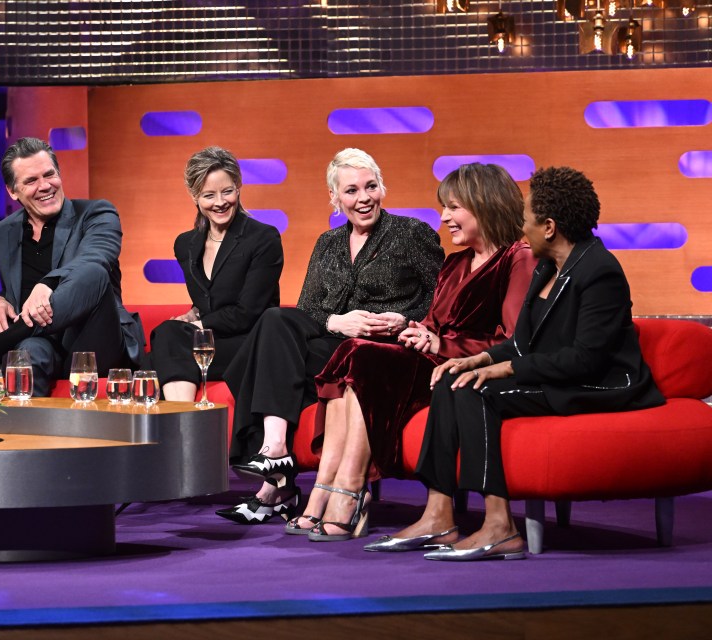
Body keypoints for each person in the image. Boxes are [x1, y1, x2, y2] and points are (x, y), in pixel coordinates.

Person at [383, 166, 665, 561]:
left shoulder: (600, 270)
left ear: (548, 226)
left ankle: (499, 524)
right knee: (454, 380)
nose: (521, 223)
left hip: (600, 383)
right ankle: (438, 514)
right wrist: (478, 359)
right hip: (559, 375)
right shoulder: (548, 268)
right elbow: (521, 342)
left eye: (528, 216)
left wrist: (503, 370)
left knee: (476, 392)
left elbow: (586, 359)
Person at [289, 163, 537, 542]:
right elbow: (432, 325)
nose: (444, 218)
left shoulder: (517, 257)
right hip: (430, 361)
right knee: (353, 351)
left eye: (453, 208)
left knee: (364, 357)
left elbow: (514, 342)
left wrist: (442, 344)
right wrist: (415, 330)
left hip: (462, 366)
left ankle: (350, 490)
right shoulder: (455, 263)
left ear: (484, 205)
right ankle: (328, 486)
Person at [216, 147, 444, 524]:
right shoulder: (327, 243)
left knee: (260, 359)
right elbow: (307, 309)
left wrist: (402, 320)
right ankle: (275, 451)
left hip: (380, 349)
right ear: (335, 198)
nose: (364, 197)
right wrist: (339, 322)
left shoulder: (412, 233)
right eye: (351, 190)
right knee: (276, 320)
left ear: (382, 188)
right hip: (334, 344)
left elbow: (442, 301)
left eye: (371, 186)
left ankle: (275, 485)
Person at [0, 137, 143, 396]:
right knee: (25, 354)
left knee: (95, 272)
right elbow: (15, 290)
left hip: (95, 341)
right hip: (41, 343)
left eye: (50, 175)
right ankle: (24, 433)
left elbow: (97, 258)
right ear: (13, 191)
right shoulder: (1, 233)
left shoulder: (96, 213)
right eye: (31, 180)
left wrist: (48, 283)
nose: (45, 186)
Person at [150, 147, 283, 401]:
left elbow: (248, 312)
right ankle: (183, 425)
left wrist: (196, 327)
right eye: (209, 195)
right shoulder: (185, 244)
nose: (220, 202)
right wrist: (195, 312)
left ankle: (181, 426)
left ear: (239, 186)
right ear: (195, 197)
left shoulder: (263, 238)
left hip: (248, 343)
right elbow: (211, 295)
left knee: (168, 337)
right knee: (159, 346)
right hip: (209, 342)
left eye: (227, 191)